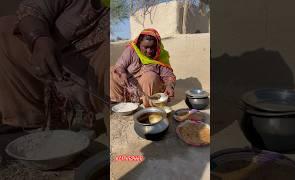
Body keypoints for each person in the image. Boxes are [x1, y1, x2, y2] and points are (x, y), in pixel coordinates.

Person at [0, 0, 109, 132]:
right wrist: (38, 39)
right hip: (48, 62)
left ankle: (99, 119)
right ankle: (31, 122)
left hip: (93, 81)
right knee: (4, 29)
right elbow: (32, 10)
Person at [110, 28, 176, 107]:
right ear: (139, 45)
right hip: (130, 89)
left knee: (150, 76)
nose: (149, 51)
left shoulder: (160, 57)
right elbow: (120, 65)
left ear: (157, 46)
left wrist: (169, 86)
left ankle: (146, 104)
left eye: (152, 47)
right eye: (146, 47)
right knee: (112, 70)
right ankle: (117, 101)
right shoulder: (131, 50)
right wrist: (122, 72)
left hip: (147, 91)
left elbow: (169, 76)